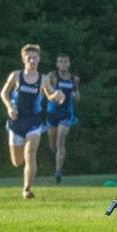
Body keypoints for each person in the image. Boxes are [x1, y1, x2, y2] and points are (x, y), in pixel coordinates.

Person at [0, 44, 60, 199]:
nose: (32, 61)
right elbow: (4, 93)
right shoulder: (16, 76)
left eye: (35, 58)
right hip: (16, 122)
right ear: (23, 59)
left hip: (34, 122)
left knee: (30, 155)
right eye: (29, 58)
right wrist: (9, 107)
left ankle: (27, 189)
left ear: (39, 59)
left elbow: (50, 95)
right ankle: (25, 174)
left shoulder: (43, 79)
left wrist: (58, 96)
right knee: (17, 161)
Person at [45, 53, 80, 184]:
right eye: (61, 62)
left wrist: (75, 94)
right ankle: (55, 158)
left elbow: (78, 96)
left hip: (66, 114)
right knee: (52, 145)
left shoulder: (74, 79)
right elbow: (44, 90)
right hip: (52, 112)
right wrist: (54, 94)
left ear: (69, 63)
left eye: (65, 61)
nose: (63, 64)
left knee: (61, 142)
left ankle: (58, 173)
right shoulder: (52, 76)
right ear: (57, 64)